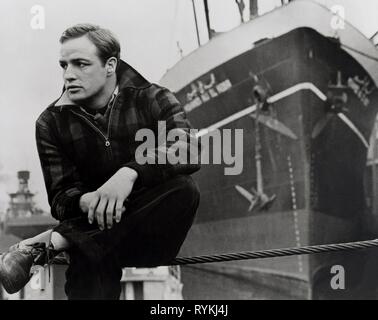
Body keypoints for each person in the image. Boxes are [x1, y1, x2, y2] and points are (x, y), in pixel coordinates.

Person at [0, 24, 201, 299]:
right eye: (64, 65)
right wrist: (92, 201)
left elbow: (188, 148)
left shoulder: (153, 98)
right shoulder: (50, 123)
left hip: (150, 237)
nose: (68, 74)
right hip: (92, 247)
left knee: (184, 190)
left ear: (110, 65)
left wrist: (129, 175)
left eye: (80, 64)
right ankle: (69, 239)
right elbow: (61, 198)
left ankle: (53, 242)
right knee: (89, 258)